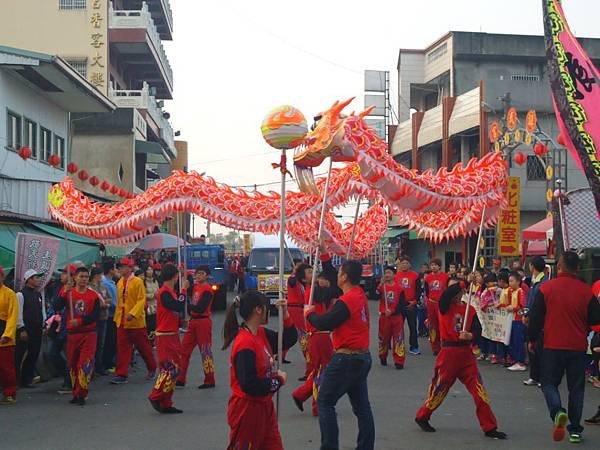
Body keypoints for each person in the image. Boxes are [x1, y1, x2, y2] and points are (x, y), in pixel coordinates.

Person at [415, 283, 507, 440]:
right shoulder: (444, 307)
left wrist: (470, 336)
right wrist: (464, 281)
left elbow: (478, 331)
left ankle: (489, 426)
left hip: (466, 355)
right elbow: (445, 296)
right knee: (440, 389)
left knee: (479, 391)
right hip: (449, 354)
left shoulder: (470, 310)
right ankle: (423, 416)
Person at [527, 251, 600, 444]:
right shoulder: (586, 291)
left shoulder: (547, 288)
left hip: (552, 344)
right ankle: (575, 430)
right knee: (576, 388)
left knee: (548, 383)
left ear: (559, 266)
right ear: (578, 268)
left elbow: (535, 317)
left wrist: (532, 340)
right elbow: (595, 319)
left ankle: (557, 411)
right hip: (577, 347)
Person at [305, 260, 375, 450]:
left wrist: (309, 315)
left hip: (347, 358)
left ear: (344, 277)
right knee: (362, 408)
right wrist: (325, 253)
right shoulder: (358, 294)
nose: (336, 276)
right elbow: (330, 272)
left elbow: (325, 322)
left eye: (339, 273)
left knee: (325, 402)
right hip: (361, 357)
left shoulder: (347, 300)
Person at [223, 290, 297, 450]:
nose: (269, 311)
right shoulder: (244, 343)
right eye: (266, 307)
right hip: (247, 410)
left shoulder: (261, 333)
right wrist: (278, 381)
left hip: (265, 407)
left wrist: (285, 314)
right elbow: (249, 384)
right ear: (258, 310)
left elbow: (288, 340)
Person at [292, 253, 336, 416]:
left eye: (313, 270)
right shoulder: (311, 292)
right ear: (303, 279)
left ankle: (302, 394)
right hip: (318, 335)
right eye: (310, 272)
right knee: (323, 370)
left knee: (322, 369)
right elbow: (329, 292)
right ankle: (317, 405)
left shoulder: (315, 290)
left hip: (321, 335)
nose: (314, 273)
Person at [54, 267, 101, 405]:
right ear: (75, 278)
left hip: (89, 334)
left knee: (84, 364)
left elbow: (95, 315)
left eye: (86, 277)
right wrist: (63, 293)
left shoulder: (93, 296)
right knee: (72, 364)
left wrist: (80, 321)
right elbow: (57, 306)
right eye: (81, 276)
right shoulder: (68, 293)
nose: (84, 279)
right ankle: (76, 392)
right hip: (73, 335)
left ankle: (82, 393)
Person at [110, 258, 157, 384]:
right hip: (122, 320)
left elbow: (141, 300)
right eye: (119, 267)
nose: (120, 269)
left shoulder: (137, 282)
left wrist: (133, 313)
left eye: (123, 266)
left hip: (136, 322)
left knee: (143, 347)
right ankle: (121, 374)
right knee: (123, 348)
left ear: (129, 268)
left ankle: (152, 368)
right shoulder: (120, 282)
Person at [149, 264, 185, 414]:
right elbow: (177, 306)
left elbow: (174, 312)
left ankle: (166, 401)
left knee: (171, 368)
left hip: (171, 333)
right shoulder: (164, 292)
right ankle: (156, 395)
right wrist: (184, 291)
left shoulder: (169, 292)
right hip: (166, 335)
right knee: (172, 368)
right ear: (175, 276)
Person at [177, 265, 216, 389]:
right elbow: (184, 287)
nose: (198, 275)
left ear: (207, 276)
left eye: (202, 273)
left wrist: (188, 306)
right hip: (193, 322)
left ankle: (210, 380)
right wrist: (182, 273)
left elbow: (200, 308)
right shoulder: (195, 287)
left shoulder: (208, 290)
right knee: (184, 350)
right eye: (197, 273)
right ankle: (180, 378)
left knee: (205, 351)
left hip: (203, 322)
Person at [15, 269, 44, 388]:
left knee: (33, 354)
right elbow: (18, 313)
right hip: (26, 329)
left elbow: (41, 310)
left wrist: (44, 323)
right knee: (19, 355)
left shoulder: (38, 294)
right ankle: (15, 381)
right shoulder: (20, 295)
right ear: (29, 280)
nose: (39, 280)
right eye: (36, 277)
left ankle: (26, 379)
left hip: (37, 329)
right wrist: (21, 328)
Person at [523, 255, 548, 387]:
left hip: (538, 319)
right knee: (532, 347)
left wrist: (529, 313)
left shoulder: (543, 282)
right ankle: (534, 376)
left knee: (538, 348)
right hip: (531, 317)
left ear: (532, 266)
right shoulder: (535, 281)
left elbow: (537, 304)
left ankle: (541, 377)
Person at [377, 266, 406, 369]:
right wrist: (380, 284)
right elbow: (374, 296)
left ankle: (399, 361)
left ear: (394, 275)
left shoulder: (400, 288)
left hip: (396, 317)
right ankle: (383, 356)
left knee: (398, 339)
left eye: (389, 273)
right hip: (384, 317)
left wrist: (393, 311)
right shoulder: (381, 287)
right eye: (385, 273)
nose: (387, 275)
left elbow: (402, 305)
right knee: (383, 338)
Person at [395, 256, 421, 355]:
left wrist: (414, 302)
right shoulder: (396, 276)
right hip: (400, 305)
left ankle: (414, 346)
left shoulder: (415, 275)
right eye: (402, 263)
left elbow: (418, 290)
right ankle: (399, 345)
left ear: (410, 264)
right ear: (400, 265)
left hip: (411, 304)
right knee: (398, 327)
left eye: (406, 263)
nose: (404, 265)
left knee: (413, 327)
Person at [0, 266, 18, 405]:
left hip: (4, 332)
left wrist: (8, 334)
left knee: (6, 367)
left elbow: (13, 316)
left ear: (2, 277)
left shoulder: (10, 294)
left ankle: (9, 393)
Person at [424, 258, 450, 355]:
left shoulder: (446, 277)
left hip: (442, 303)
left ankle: (444, 345)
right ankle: (435, 347)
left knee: (443, 324)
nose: (433, 267)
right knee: (432, 325)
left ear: (439, 266)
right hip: (431, 303)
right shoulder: (428, 278)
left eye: (435, 265)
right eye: (432, 265)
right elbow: (427, 292)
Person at [503, 272, 527, 372]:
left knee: (518, 341)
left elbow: (522, 306)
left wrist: (513, 308)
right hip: (512, 319)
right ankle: (515, 359)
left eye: (512, 281)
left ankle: (520, 362)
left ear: (518, 281)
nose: (510, 283)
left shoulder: (520, 291)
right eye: (509, 281)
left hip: (518, 319)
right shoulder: (511, 291)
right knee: (512, 340)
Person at [286, 259, 308, 367]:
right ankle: (308, 359)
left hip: (300, 308)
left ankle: (281, 354)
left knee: (292, 333)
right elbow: (292, 282)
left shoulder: (301, 281)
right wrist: (295, 272)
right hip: (294, 309)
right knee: (302, 334)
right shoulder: (292, 279)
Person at [89, 267, 110, 376]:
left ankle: (99, 365)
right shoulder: (89, 287)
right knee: (94, 344)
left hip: (104, 317)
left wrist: (105, 302)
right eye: (100, 275)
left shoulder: (103, 286)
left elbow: (110, 298)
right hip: (95, 318)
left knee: (101, 343)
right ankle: (92, 367)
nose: (101, 277)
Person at [101, 262, 118, 372]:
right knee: (109, 340)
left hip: (115, 314)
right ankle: (108, 363)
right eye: (115, 268)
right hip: (110, 314)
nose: (116, 270)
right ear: (110, 270)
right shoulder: (105, 283)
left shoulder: (112, 282)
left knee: (112, 339)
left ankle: (111, 361)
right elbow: (110, 300)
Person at [144, 267, 159, 342]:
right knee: (149, 324)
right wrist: (153, 295)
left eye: (151, 269)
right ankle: (149, 341)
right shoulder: (143, 282)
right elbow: (143, 294)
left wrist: (157, 295)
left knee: (155, 324)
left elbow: (158, 291)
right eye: (148, 269)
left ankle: (153, 341)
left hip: (155, 306)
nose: (150, 271)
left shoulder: (155, 281)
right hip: (148, 306)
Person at [417, 263, 429, 337]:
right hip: (420, 303)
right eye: (423, 268)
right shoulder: (418, 278)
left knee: (427, 318)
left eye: (426, 267)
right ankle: (421, 330)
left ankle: (427, 331)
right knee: (420, 318)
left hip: (428, 303)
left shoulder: (431, 277)